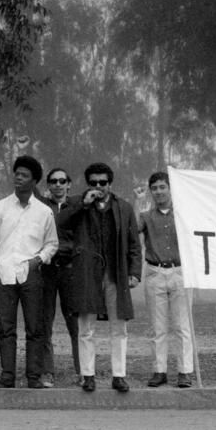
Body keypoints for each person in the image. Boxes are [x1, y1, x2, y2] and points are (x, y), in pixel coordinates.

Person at [57, 162, 142, 393]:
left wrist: (134, 272)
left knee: (119, 328)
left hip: (115, 275)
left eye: (102, 182)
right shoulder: (76, 203)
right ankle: (88, 375)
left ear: (110, 183)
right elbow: (60, 224)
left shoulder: (123, 208)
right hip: (87, 274)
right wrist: (83, 205)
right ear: (88, 184)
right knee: (86, 329)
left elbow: (134, 244)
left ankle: (119, 375)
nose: (98, 187)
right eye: (93, 183)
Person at [0, 156, 58, 389]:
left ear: (34, 181)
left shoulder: (44, 212)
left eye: (24, 175)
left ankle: (33, 376)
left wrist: (39, 259)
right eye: (16, 174)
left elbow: (52, 243)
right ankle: (8, 376)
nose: (18, 178)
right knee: (6, 329)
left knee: (35, 328)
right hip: (5, 274)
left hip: (31, 275)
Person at [140, 171, 194, 388]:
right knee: (158, 327)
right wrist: (139, 201)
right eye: (155, 188)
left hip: (180, 271)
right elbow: (133, 229)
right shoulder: (147, 215)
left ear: (170, 189)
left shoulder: (183, 213)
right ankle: (159, 370)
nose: (159, 191)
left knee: (182, 326)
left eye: (163, 187)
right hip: (155, 272)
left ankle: (185, 371)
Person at [39, 167, 80, 386]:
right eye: (53, 181)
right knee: (45, 322)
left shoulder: (77, 205)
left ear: (68, 184)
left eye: (62, 181)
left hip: (70, 269)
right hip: (46, 270)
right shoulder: (43, 206)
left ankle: (82, 370)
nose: (57, 185)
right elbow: (29, 188)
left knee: (75, 322)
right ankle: (47, 371)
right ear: (48, 185)